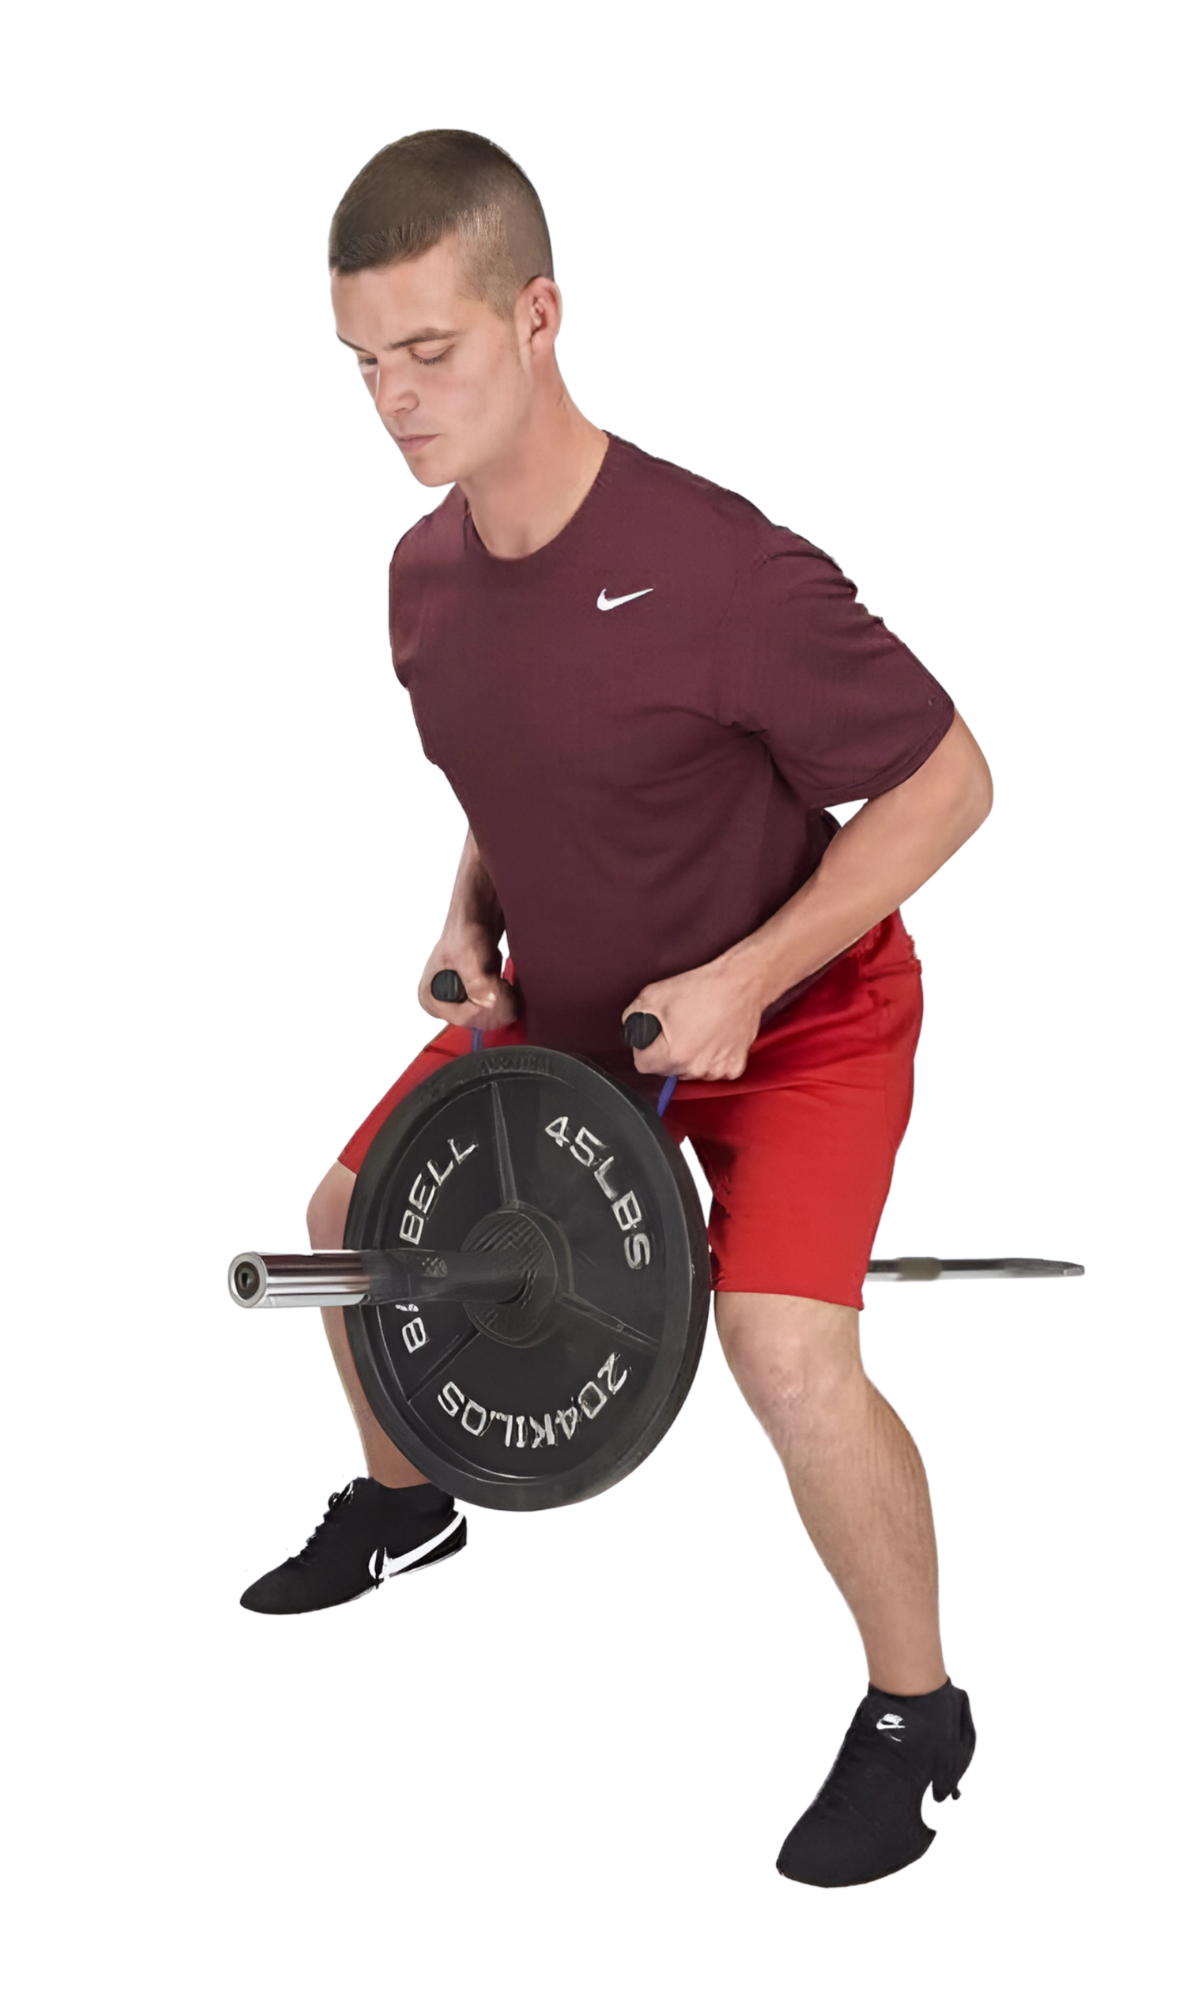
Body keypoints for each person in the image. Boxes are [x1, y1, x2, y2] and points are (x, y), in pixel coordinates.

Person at [242, 130, 995, 1889]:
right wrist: (467, 918)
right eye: (362, 361)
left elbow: (952, 782)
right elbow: (518, 772)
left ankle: (918, 1710)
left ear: (538, 317)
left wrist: (747, 977)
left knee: (782, 1350)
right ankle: (409, 1507)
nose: (394, 399)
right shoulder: (421, 580)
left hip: (799, 1012)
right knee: (344, 1225)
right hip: (573, 999)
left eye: (429, 350)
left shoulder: (725, 568)